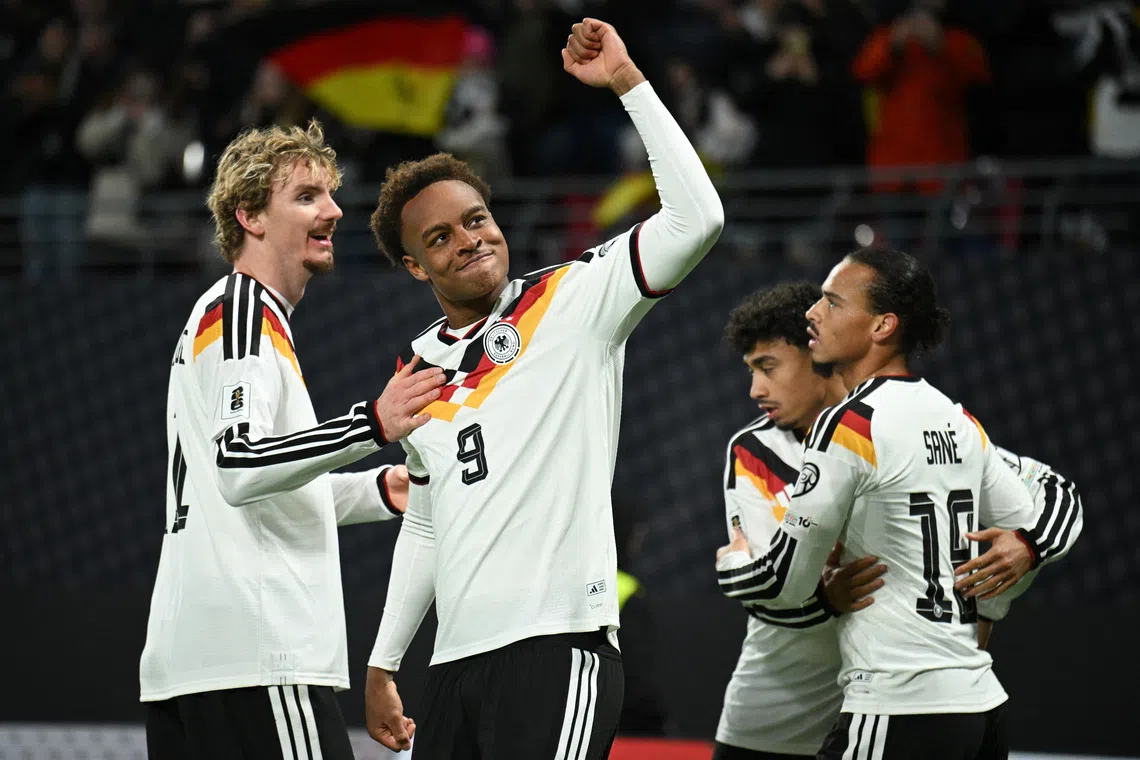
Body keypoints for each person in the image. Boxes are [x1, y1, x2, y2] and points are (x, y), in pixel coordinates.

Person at [362, 17, 724, 759]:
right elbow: (426, 526)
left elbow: (699, 219)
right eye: (441, 237)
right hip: (454, 667)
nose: (470, 239)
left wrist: (628, 82)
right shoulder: (416, 373)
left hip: (559, 648)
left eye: (477, 219)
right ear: (413, 268)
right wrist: (383, 661)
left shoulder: (574, 298)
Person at [139, 120, 446, 760]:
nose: (333, 210)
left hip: (194, 666)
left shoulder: (228, 317)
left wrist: (375, 491)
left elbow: (253, 489)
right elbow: (240, 464)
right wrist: (373, 424)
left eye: (330, 195)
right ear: (248, 215)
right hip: (259, 656)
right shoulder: (243, 311)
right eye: (306, 196)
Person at [715, 248, 1073, 760]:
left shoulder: (850, 425)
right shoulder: (956, 418)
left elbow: (783, 581)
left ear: (882, 326)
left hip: (896, 702)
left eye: (832, 303)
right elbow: (1030, 519)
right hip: (979, 704)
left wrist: (731, 563)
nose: (814, 313)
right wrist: (1014, 564)